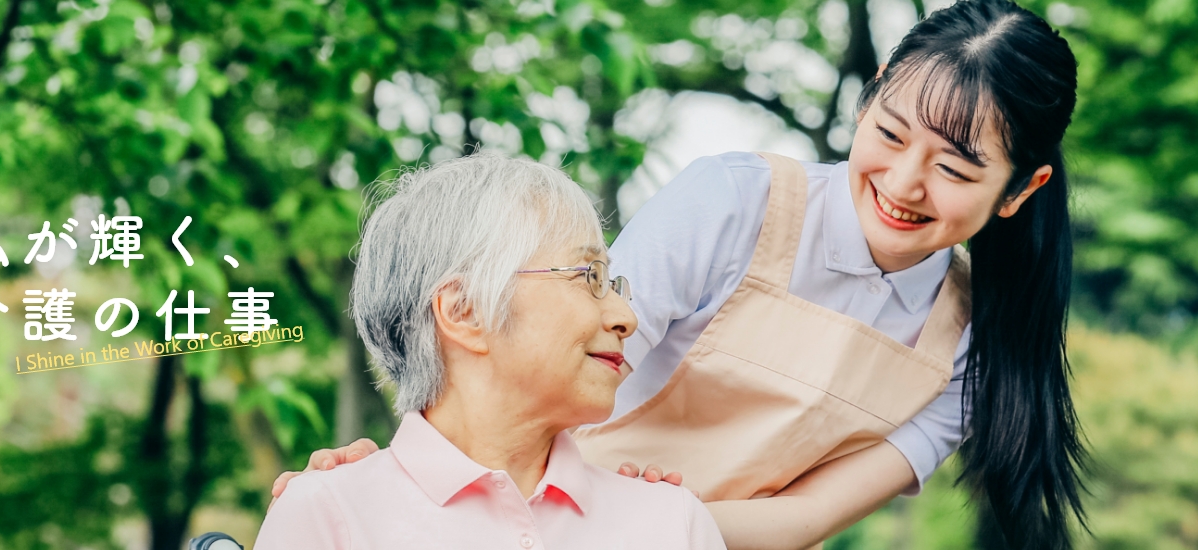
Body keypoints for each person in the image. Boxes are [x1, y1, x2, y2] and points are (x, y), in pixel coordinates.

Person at [279, 1, 1085, 547]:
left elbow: (804, 517)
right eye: (893, 131)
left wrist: (656, 527)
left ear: (1020, 189)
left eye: (954, 166)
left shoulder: (982, 338)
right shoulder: (738, 201)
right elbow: (544, 365)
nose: (905, 182)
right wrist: (398, 492)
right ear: (869, 98)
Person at [253, 152, 725, 549]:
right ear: (464, 310)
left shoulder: (672, 523)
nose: (627, 317)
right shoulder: (327, 518)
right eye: (590, 277)